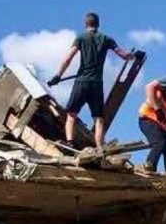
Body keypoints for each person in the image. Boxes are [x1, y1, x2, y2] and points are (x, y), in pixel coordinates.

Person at [47, 12, 138, 149]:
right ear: (98, 24)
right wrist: (132, 56)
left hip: (82, 82)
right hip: (96, 84)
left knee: (71, 114)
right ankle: (100, 147)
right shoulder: (106, 39)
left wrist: (58, 75)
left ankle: (70, 143)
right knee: (99, 119)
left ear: (85, 24)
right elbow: (123, 55)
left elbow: (68, 58)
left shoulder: (81, 38)